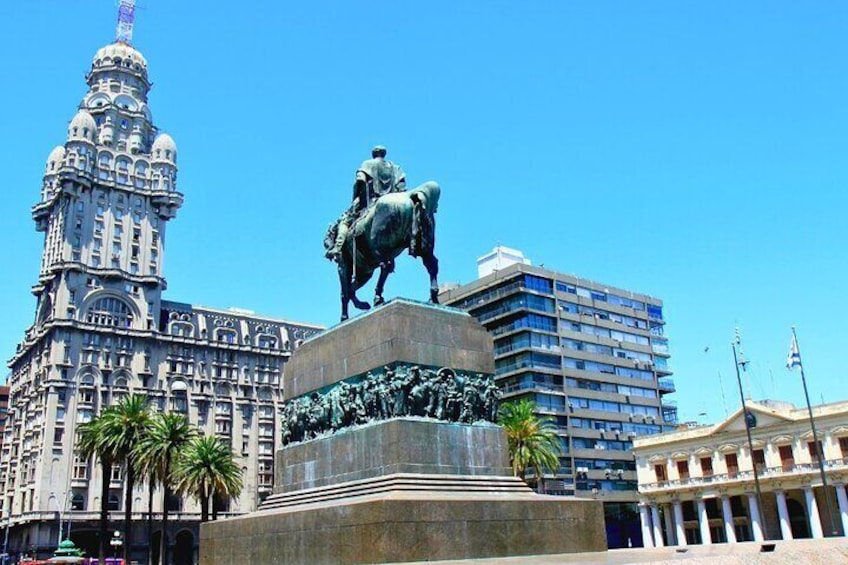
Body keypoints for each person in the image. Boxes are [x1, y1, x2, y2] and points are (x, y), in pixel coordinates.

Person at [326, 145, 407, 260]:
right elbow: (402, 187)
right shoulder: (396, 168)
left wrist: (355, 197)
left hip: (371, 202)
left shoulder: (368, 164)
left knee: (345, 221)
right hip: (395, 203)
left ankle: (337, 248)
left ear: (373, 155)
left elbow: (360, 180)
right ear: (384, 154)